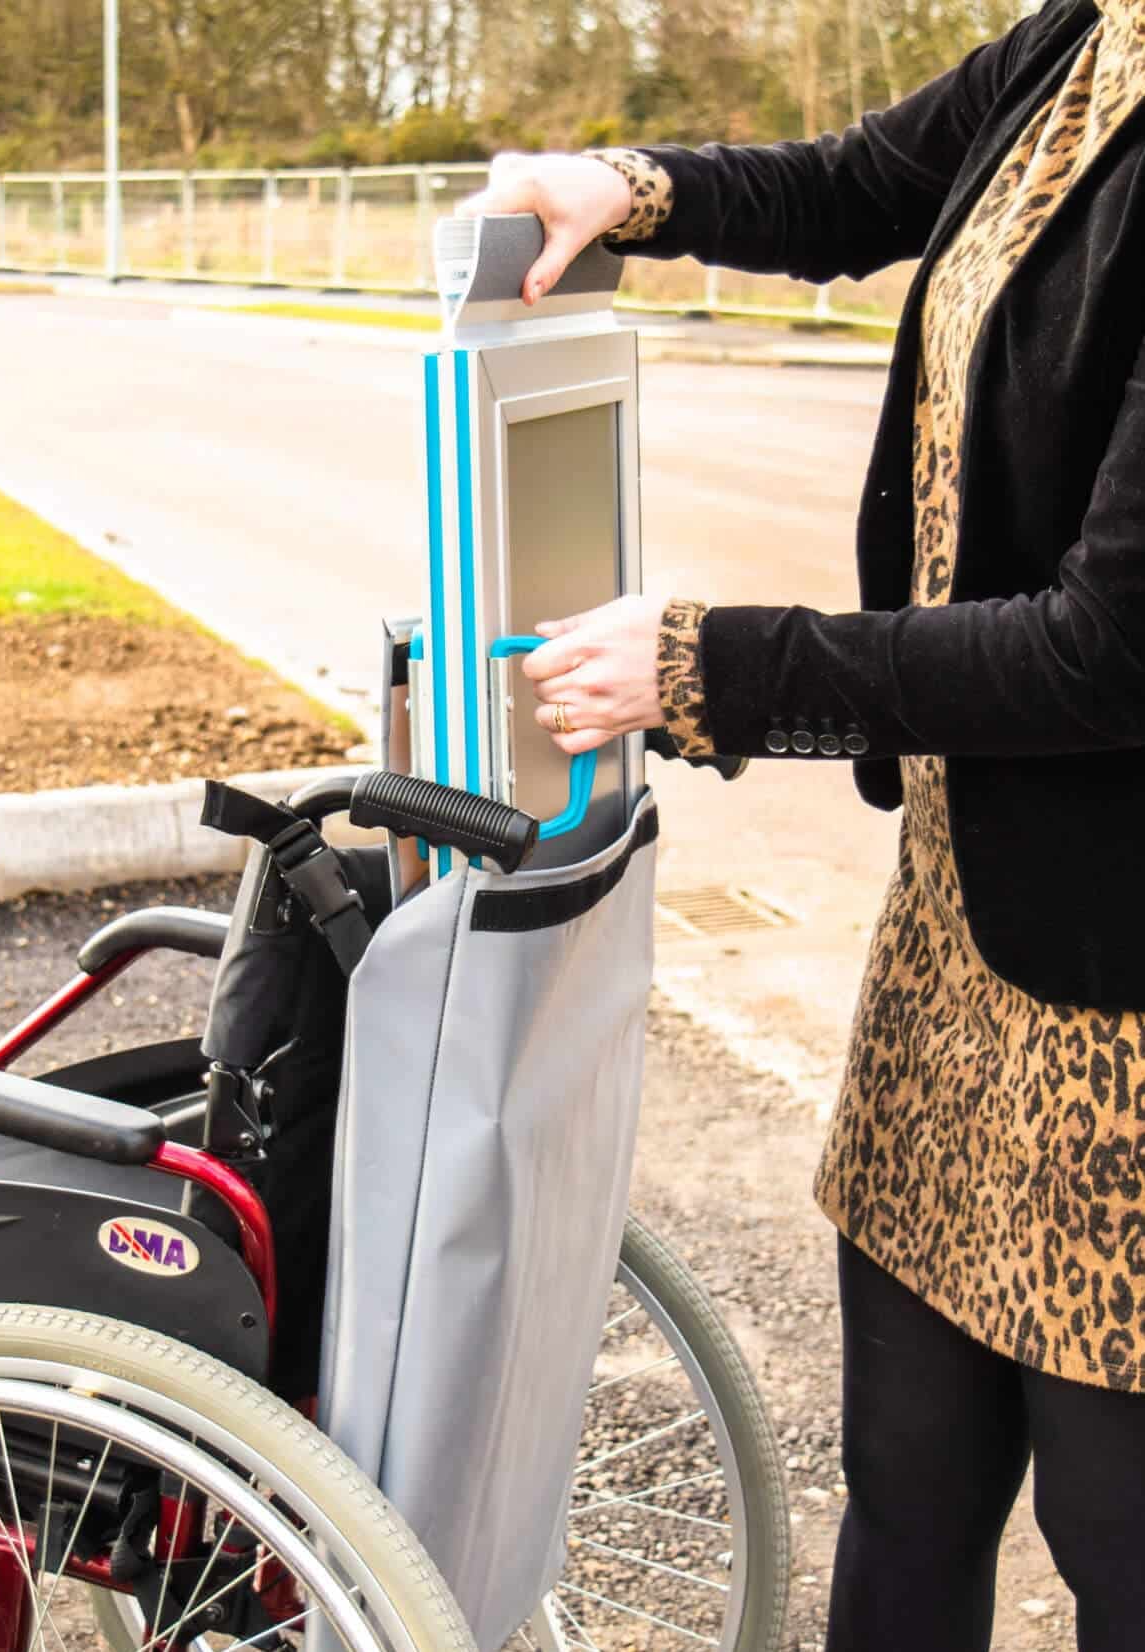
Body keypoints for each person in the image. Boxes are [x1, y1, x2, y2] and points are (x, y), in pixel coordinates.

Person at [459, 2, 1145, 1647]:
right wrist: (622, 190)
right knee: (907, 1484)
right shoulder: (1087, 39)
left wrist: (714, 668)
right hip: (963, 937)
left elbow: (1107, 650)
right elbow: (855, 184)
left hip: (1124, 1021)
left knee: (1120, 1532)